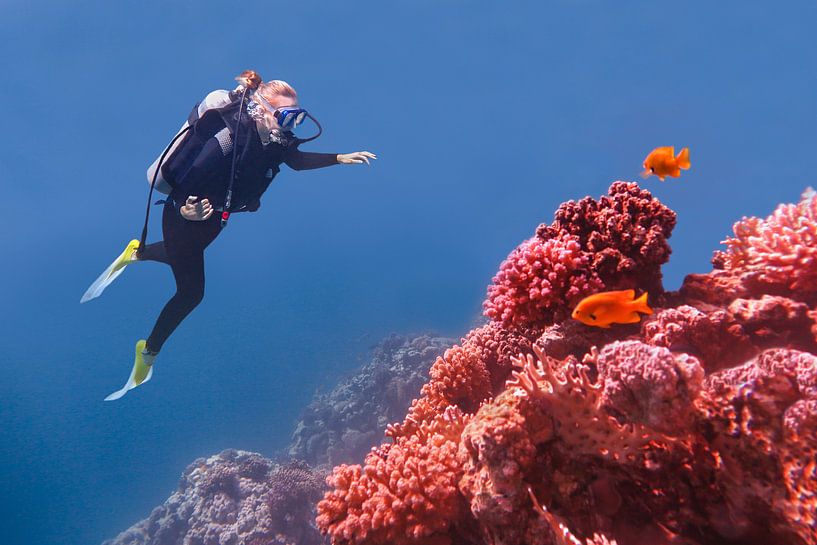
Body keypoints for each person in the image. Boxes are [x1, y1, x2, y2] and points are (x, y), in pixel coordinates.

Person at [82, 70, 376, 400]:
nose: (291, 124)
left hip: (215, 218)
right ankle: (147, 352)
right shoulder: (228, 138)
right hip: (183, 214)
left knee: (184, 255)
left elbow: (296, 160)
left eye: (297, 117)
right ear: (261, 108)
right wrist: (184, 210)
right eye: (286, 115)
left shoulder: (277, 142)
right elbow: (191, 176)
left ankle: (137, 253)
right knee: (191, 292)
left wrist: (339, 158)